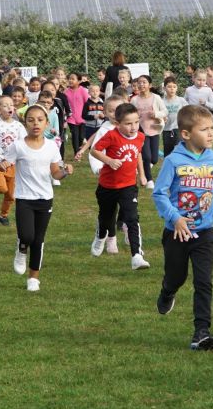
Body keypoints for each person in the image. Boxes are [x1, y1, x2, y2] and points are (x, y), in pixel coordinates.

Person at [152, 104, 213, 351]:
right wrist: (175, 218)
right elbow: (159, 193)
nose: (211, 133)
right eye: (204, 129)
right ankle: (168, 291)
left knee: (204, 281)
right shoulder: (173, 160)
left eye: (212, 128)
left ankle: (201, 332)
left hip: (205, 232)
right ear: (186, 134)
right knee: (177, 277)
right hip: (177, 233)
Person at [0, 104, 73, 291]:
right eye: (31, 120)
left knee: (38, 239)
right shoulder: (18, 146)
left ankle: (33, 278)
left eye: (40, 120)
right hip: (24, 198)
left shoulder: (51, 147)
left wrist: (64, 172)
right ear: (25, 123)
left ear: (47, 123)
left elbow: (55, 173)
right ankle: (21, 247)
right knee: (27, 235)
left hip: (45, 198)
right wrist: (3, 165)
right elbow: (5, 163)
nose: (35, 123)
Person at [89, 102, 149, 269]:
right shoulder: (111, 135)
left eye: (136, 122)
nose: (133, 127)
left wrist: (142, 175)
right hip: (107, 186)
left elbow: (137, 154)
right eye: (128, 123)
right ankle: (100, 236)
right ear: (118, 123)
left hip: (128, 185)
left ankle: (137, 255)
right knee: (107, 218)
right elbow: (94, 150)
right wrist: (109, 161)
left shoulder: (140, 137)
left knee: (132, 218)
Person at [0, 95, 27, 225]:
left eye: (11, 105)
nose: (9, 107)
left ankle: (3, 215)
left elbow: (24, 142)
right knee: (2, 188)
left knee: (11, 195)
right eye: (5, 105)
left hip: (13, 164)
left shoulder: (18, 126)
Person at [131, 74, 167, 188]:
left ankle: (144, 166)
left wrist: (156, 114)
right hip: (141, 130)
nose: (141, 85)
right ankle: (149, 179)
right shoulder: (134, 100)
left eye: (144, 82)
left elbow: (165, 111)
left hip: (155, 129)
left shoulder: (156, 98)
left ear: (150, 85)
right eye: (139, 82)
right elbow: (130, 113)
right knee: (146, 156)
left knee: (154, 159)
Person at [64, 72, 89, 156]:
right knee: (75, 135)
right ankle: (76, 153)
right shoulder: (66, 92)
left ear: (78, 81)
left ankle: (80, 148)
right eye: (69, 79)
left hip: (82, 118)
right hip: (71, 118)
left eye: (73, 79)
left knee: (81, 137)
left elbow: (87, 103)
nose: (70, 80)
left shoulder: (83, 90)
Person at [162, 77, 187, 158]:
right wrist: (161, 119)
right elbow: (158, 114)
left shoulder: (181, 100)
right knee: (168, 151)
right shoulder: (161, 101)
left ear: (177, 88)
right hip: (166, 130)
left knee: (179, 149)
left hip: (178, 129)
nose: (172, 89)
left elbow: (189, 111)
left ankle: (180, 166)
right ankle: (168, 168)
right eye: (169, 87)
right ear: (164, 88)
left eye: (174, 87)